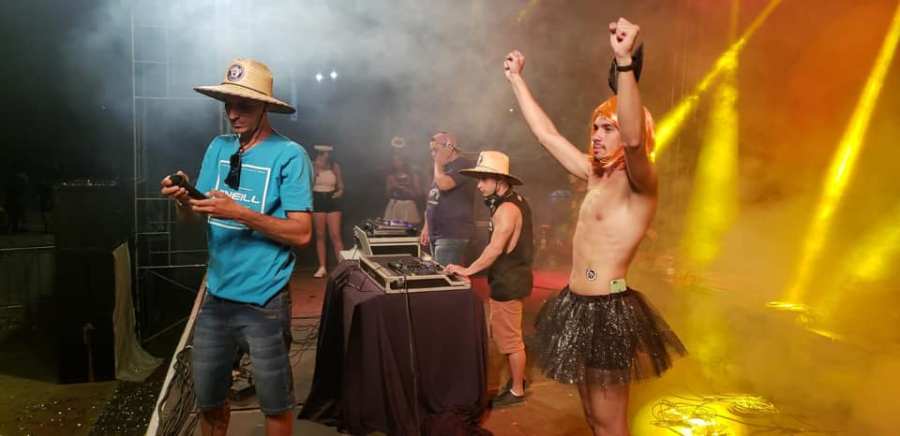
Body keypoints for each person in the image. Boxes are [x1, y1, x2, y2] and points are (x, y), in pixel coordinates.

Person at [504, 18, 686, 435]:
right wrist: (516, 80)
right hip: (577, 306)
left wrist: (624, 62)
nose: (597, 136)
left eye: (608, 129)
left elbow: (635, 142)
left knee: (610, 424)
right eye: (595, 128)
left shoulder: (640, 184)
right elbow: (547, 135)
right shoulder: (593, 174)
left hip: (608, 311)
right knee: (592, 417)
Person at [160, 58, 313, 436]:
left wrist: (240, 212)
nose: (232, 113)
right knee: (209, 402)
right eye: (228, 104)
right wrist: (183, 201)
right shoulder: (218, 147)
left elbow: (302, 234)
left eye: (243, 105)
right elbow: (194, 218)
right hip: (217, 298)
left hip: (265, 300)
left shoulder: (290, 154)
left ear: (264, 107)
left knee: (275, 406)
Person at [445, 151, 533, 408]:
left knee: (511, 341)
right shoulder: (513, 201)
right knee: (506, 336)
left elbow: (495, 250)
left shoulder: (506, 209)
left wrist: (468, 270)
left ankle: (517, 390)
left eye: (484, 179)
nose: (479, 185)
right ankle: (517, 380)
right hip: (510, 278)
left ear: (500, 181)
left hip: (509, 282)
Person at [420, 131, 475, 266]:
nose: (433, 154)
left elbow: (444, 185)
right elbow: (433, 198)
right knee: (438, 274)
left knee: (444, 276)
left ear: (450, 146)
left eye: (436, 149)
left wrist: (438, 163)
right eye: (431, 150)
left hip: (452, 234)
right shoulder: (442, 168)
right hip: (436, 233)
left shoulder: (463, 164)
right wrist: (426, 227)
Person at [311, 144, 345, 278]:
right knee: (320, 235)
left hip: (332, 199)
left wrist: (340, 192)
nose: (327, 156)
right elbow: (309, 184)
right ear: (320, 153)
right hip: (318, 198)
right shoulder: (312, 165)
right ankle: (322, 267)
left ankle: (342, 266)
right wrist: (315, 169)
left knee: (335, 235)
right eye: (324, 153)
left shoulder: (335, 166)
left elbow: (341, 185)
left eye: (328, 153)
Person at [384, 138, 423, 225]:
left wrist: (403, 189)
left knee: (408, 230)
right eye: (394, 160)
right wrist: (391, 187)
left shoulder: (412, 175)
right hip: (394, 205)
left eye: (399, 160)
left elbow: (419, 193)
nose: (396, 162)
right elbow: (387, 194)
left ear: (404, 161)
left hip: (408, 206)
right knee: (393, 230)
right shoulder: (390, 176)